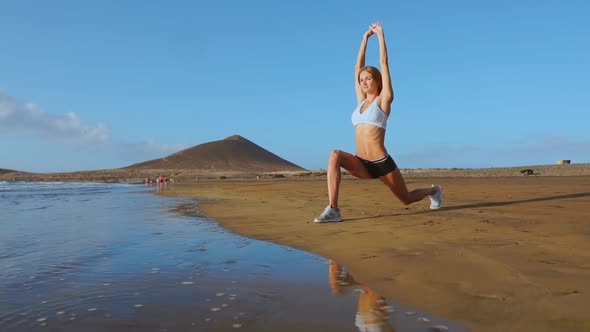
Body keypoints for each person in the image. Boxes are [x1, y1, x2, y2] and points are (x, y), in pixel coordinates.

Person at [314, 22, 442, 223]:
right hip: (361, 163)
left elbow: (384, 62)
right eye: (362, 80)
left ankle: (434, 191)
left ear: (378, 81)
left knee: (406, 199)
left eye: (368, 79)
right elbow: (357, 68)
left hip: (381, 164)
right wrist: (364, 40)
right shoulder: (361, 102)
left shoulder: (384, 100)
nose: (364, 82)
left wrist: (381, 36)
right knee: (335, 155)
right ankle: (333, 209)